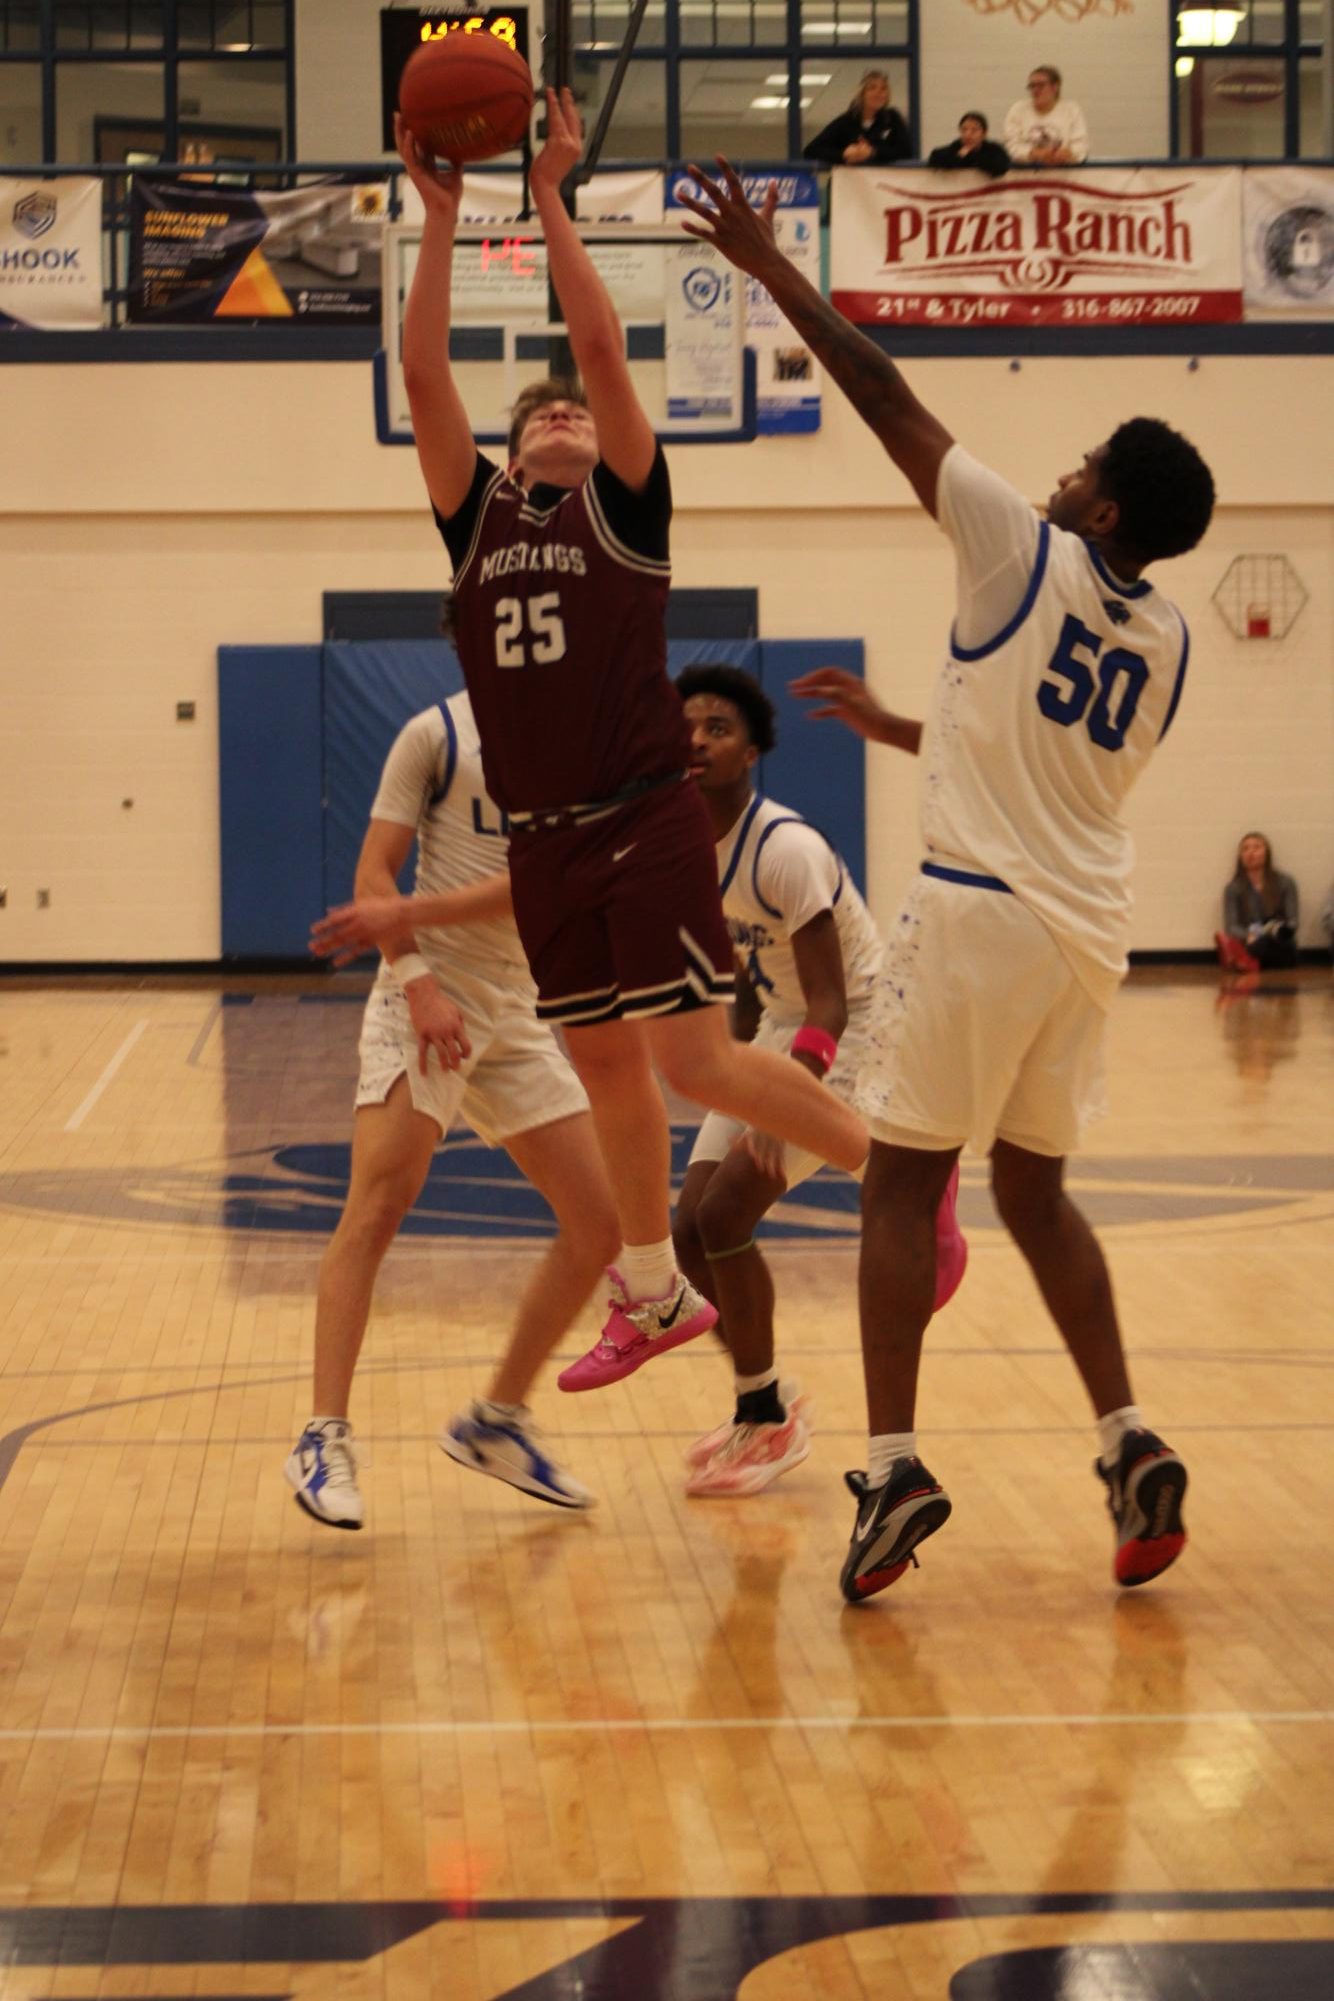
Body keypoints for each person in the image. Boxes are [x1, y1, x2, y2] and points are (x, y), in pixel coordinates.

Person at [677, 157, 1215, 1603]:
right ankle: (1126, 1436)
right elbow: (1057, 761)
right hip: (1084, 937)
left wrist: (771, 269)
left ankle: (896, 1463)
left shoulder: (1015, 547)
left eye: (1088, 468)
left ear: (1101, 514)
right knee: (1034, 1192)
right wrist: (911, 728)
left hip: (974, 912)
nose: (1066, 473)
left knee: (901, 1186)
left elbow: (880, 393)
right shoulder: (1164, 639)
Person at [392, 95, 867, 1399]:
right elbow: (425, 373)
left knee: (692, 1059)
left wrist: (546, 196)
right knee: (610, 1066)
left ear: (606, 448)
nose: (556, 413)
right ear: (504, 451)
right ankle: (651, 1292)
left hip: (637, 811)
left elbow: (597, 345)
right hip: (542, 842)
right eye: (533, 414)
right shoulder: (476, 522)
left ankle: (900, 1182)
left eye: (575, 415)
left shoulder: (630, 511)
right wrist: (439, 219)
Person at [288, 685, 621, 1529]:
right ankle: (321, 1436)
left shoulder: (580, 740)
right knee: (376, 1206)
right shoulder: (432, 734)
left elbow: (539, 891)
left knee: (600, 1226)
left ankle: (496, 1421)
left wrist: (405, 914)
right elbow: (374, 876)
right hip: (424, 998)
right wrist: (418, 977)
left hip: (516, 1006)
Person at [671, 664, 967, 1498]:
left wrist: (777, 1104)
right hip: (782, 1025)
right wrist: (728, 1074)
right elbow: (739, 970)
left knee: (729, 1210)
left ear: (754, 751)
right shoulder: (687, 841)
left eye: (719, 727)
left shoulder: (786, 848)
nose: (697, 738)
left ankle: (913, 1179)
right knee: (688, 1231)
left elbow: (833, 1002)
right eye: (686, 724)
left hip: (860, 1029)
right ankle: (764, 1402)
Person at [1216, 831, 1300, 972]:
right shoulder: (1233, 888)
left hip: (1278, 940)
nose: (1251, 853)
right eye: (1246, 849)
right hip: (1250, 940)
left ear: (1266, 853)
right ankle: (1245, 959)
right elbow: (1231, 926)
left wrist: (1268, 931)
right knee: (1255, 944)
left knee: (1270, 944)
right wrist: (1249, 935)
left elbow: (1293, 922)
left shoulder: (1286, 882)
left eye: (1256, 847)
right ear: (1240, 856)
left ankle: (1243, 960)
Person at [804, 71, 913, 168]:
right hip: (849, 184)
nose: (879, 93)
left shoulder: (892, 119)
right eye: (872, 88)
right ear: (862, 94)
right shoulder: (845, 121)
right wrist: (844, 154)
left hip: (883, 184)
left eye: (883, 88)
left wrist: (873, 152)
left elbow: (906, 151)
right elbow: (811, 151)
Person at [1003, 65, 1088, 166]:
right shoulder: (1018, 110)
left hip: (1064, 174)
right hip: (1027, 175)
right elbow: (1010, 146)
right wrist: (1034, 153)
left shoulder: (1072, 110)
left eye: (1041, 85)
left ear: (1055, 87)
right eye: (1032, 86)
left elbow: (1081, 146)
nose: (1035, 90)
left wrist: (1066, 153)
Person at [927, 112, 1010, 179]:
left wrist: (973, 155)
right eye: (964, 130)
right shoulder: (955, 147)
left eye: (974, 130)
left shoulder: (993, 149)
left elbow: (1001, 167)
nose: (968, 134)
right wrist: (959, 156)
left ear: (984, 133)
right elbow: (934, 159)